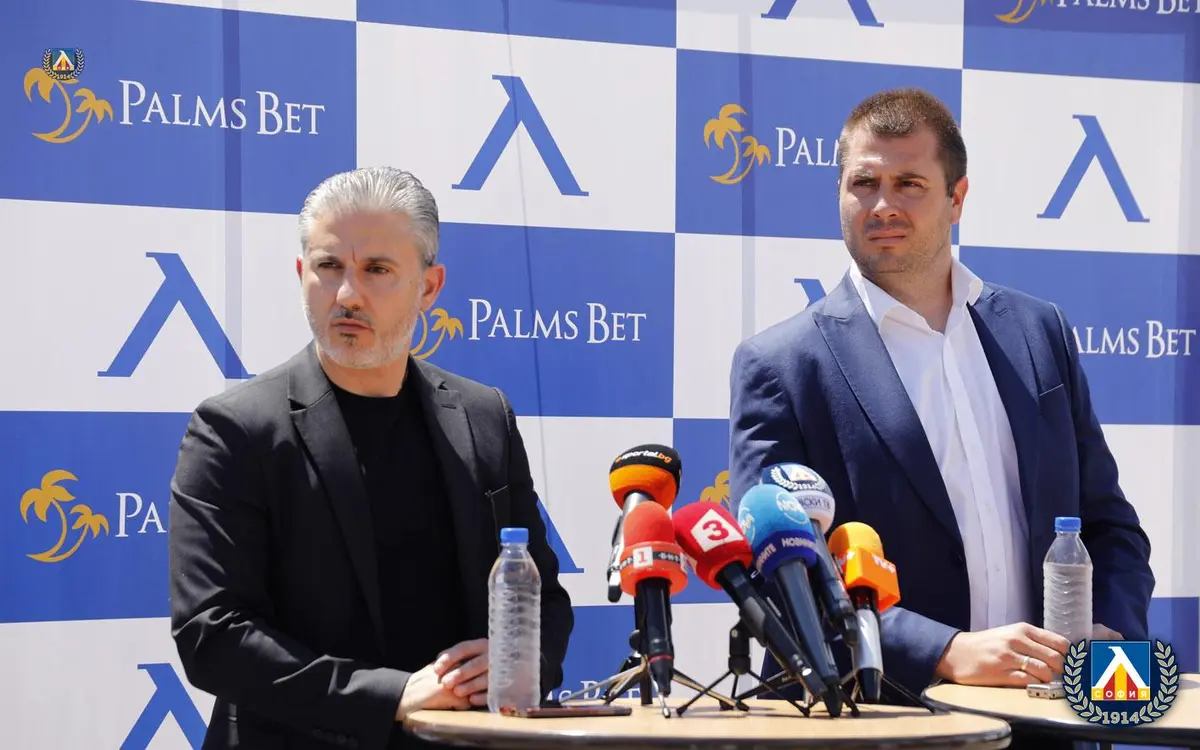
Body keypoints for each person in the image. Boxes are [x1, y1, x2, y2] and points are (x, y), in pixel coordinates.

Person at [728, 89, 1154, 706]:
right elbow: (779, 578)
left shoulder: (1039, 332)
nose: (882, 205)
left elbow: (1110, 526)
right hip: (885, 722)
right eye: (863, 183)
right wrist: (946, 652)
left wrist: (1109, 635)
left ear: (957, 199)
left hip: (1054, 715)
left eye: (909, 184)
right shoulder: (781, 365)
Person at [168, 166, 574, 750]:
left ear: (429, 287)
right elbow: (213, 635)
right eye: (329, 266)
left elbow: (545, 597)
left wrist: (521, 661)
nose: (347, 295)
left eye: (377, 270)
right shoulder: (235, 428)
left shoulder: (484, 416)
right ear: (302, 273)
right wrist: (389, 695)